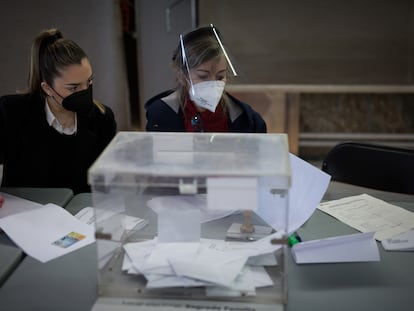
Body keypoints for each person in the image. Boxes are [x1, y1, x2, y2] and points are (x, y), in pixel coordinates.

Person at [0, 28, 116, 194]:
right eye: (74, 87)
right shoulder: (11, 112)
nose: (85, 91)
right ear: (47, 88)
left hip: (79, 214)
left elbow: (106, 183)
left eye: (89, 82)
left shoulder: (102, 118)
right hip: (24, 211)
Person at [145, 25, 266, 133]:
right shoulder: (161, 115)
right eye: (203, 76)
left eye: (220, 77)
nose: (213, 84)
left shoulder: (246, 120)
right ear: (181, 76)